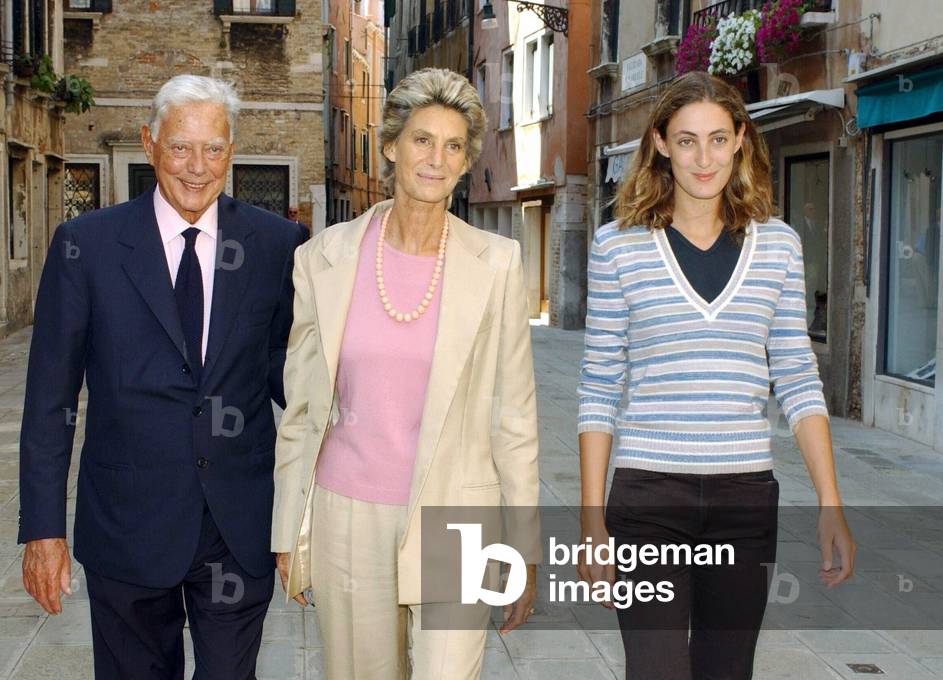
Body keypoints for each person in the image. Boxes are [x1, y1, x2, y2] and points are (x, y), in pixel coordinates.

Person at [18, 74, 305, 679]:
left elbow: (292, 372)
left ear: (232, 150)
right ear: (150, 144)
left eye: (214, 148)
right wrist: (43, 529)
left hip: (238, 524)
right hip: (127, 525)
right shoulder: (87, 246)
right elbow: (50, 397)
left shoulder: (278, 245)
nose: (197, 167)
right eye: (180, 147)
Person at [576, 71, 856, 680]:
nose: (703, 158)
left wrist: (830, 502)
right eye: (685, 140)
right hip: (648, 499)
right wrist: (590, 518)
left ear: (740, 142)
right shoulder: (617, 247)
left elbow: (798, 377)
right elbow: (598, 387)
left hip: (743, 500)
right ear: (659, 144)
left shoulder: (779, 246)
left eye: (716, 139)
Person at [272, 67, 540, 680]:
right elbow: (303, 410)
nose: (436, 159)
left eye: (452, 147)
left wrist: (524, 546)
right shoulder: (323, 259)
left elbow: (516, 418)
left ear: (466, 161)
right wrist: (288, 527)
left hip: (458, 517)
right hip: (349, 514)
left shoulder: (497, 263)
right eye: (422, 140)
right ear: (391, 146)